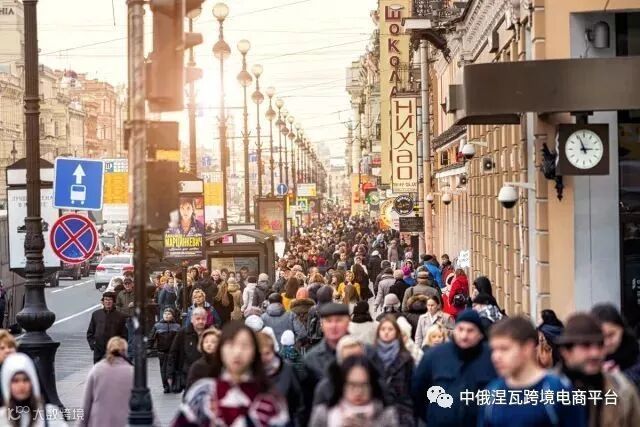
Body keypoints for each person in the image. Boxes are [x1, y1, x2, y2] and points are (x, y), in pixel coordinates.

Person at [171, 322, 289, 427]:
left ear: (254, 352)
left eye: (244, 346)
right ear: (221, 350)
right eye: (231, 345)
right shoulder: (203, 394)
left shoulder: (269, 398)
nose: (237, 352)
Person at [478, 316, 585, 427]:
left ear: (527, 348)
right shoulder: (492, 392)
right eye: (494, 350)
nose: (496, 357)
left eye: (504, 349)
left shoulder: (557, 389)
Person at [412, 309, 497, 426]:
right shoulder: (434, 356)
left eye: (470, 331)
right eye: (460, 329)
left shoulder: (492, 357)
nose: (464, 336)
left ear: (480, 334)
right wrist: (433, 415)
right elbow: (417, 392)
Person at [556, 313, 640, 427]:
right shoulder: (546, 390)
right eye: (586, 345)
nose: (595, 353)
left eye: (600, 345)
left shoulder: (622, 389)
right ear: (566, 352)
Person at [309, 355, 399, 427]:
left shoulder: (387, 416)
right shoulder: (323, 414)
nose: (358, 392)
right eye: (352, 385)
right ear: (342, 385)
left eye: (364, 385)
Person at [302, 303, 351, 423]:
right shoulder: (311, 358)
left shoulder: (365, 352)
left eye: (338, 320)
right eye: (328, 321)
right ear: (322, 325)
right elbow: (305, 403)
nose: (333, 326)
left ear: (348, 322)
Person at [0, 353, 67, 426]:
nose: (21, 386)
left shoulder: (49, 414)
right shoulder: (2, 417)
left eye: (25, 380)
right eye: (15, 381)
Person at [370, 317, 414, 426]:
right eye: (383, 329)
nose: (386, 332)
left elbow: (411, 387)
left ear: (397, 332)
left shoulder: (406, 358)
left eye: (390, 329)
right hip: (376, 412)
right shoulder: (370, 356)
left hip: (400, 412)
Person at [80, 337, 133, 427]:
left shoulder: (96, 370)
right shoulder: (132, 372)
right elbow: (146, 405)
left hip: (98, 421)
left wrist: (80, 424)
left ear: (108, 350)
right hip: (123, 421)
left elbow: (86, 404)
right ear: (125, 351)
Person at [258, 331, 305, 426]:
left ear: (273, 351)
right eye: (260, 354)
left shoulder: (287, 370)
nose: (263, 358)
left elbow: (298, 400)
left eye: (267, 353)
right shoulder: (249, 374)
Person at [591, 303, 640, 388]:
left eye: (611, 335)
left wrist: (617, 378)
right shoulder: (585, 356)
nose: (606, 342)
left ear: (622, 329)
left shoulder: (636, 353)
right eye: (600, 337)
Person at [167, 307, 207, 393]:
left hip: (206, 375)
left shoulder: (210, 332)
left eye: (203, 319)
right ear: (192, 319)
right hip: (188, 375)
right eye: (198, 319)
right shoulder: (183, 333)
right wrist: (170, 375)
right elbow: (173, 353)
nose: (201, 321)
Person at [86, 291, 127, 363]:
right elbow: (90, 332)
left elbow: (124, 335)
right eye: (106, 300)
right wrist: (93, 344)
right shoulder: (96, 314)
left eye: (110, 300)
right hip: (99, 349)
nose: (108, 302)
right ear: (103, 301)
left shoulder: (120, 316)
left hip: (113, 350)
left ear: (113, 302)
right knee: (98, 368)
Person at [148, 308, 181, 393]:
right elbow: (151, 337)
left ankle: (173, 385)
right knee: (163, 370)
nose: (166, 315)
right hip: (161, 351)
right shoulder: (157, 326)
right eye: (165, 314)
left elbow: (180, 339)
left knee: (172, 369)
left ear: (172, 316)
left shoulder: (177, 326)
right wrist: (148, 348)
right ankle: (166, 386)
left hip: (173, 352)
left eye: (169, 314)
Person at [115, 277, 136, 359]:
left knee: (131, 336)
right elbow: (118, 305)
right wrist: (121, 312)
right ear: (123, 285)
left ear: (132, 284)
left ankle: (130, 355)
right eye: (125, 284)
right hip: (124, 318)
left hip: (134, 317)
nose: (127, 285)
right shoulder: (121, 293)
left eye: (129, 283)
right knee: (124, 336)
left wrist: (135, 303)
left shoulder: (137, 293)